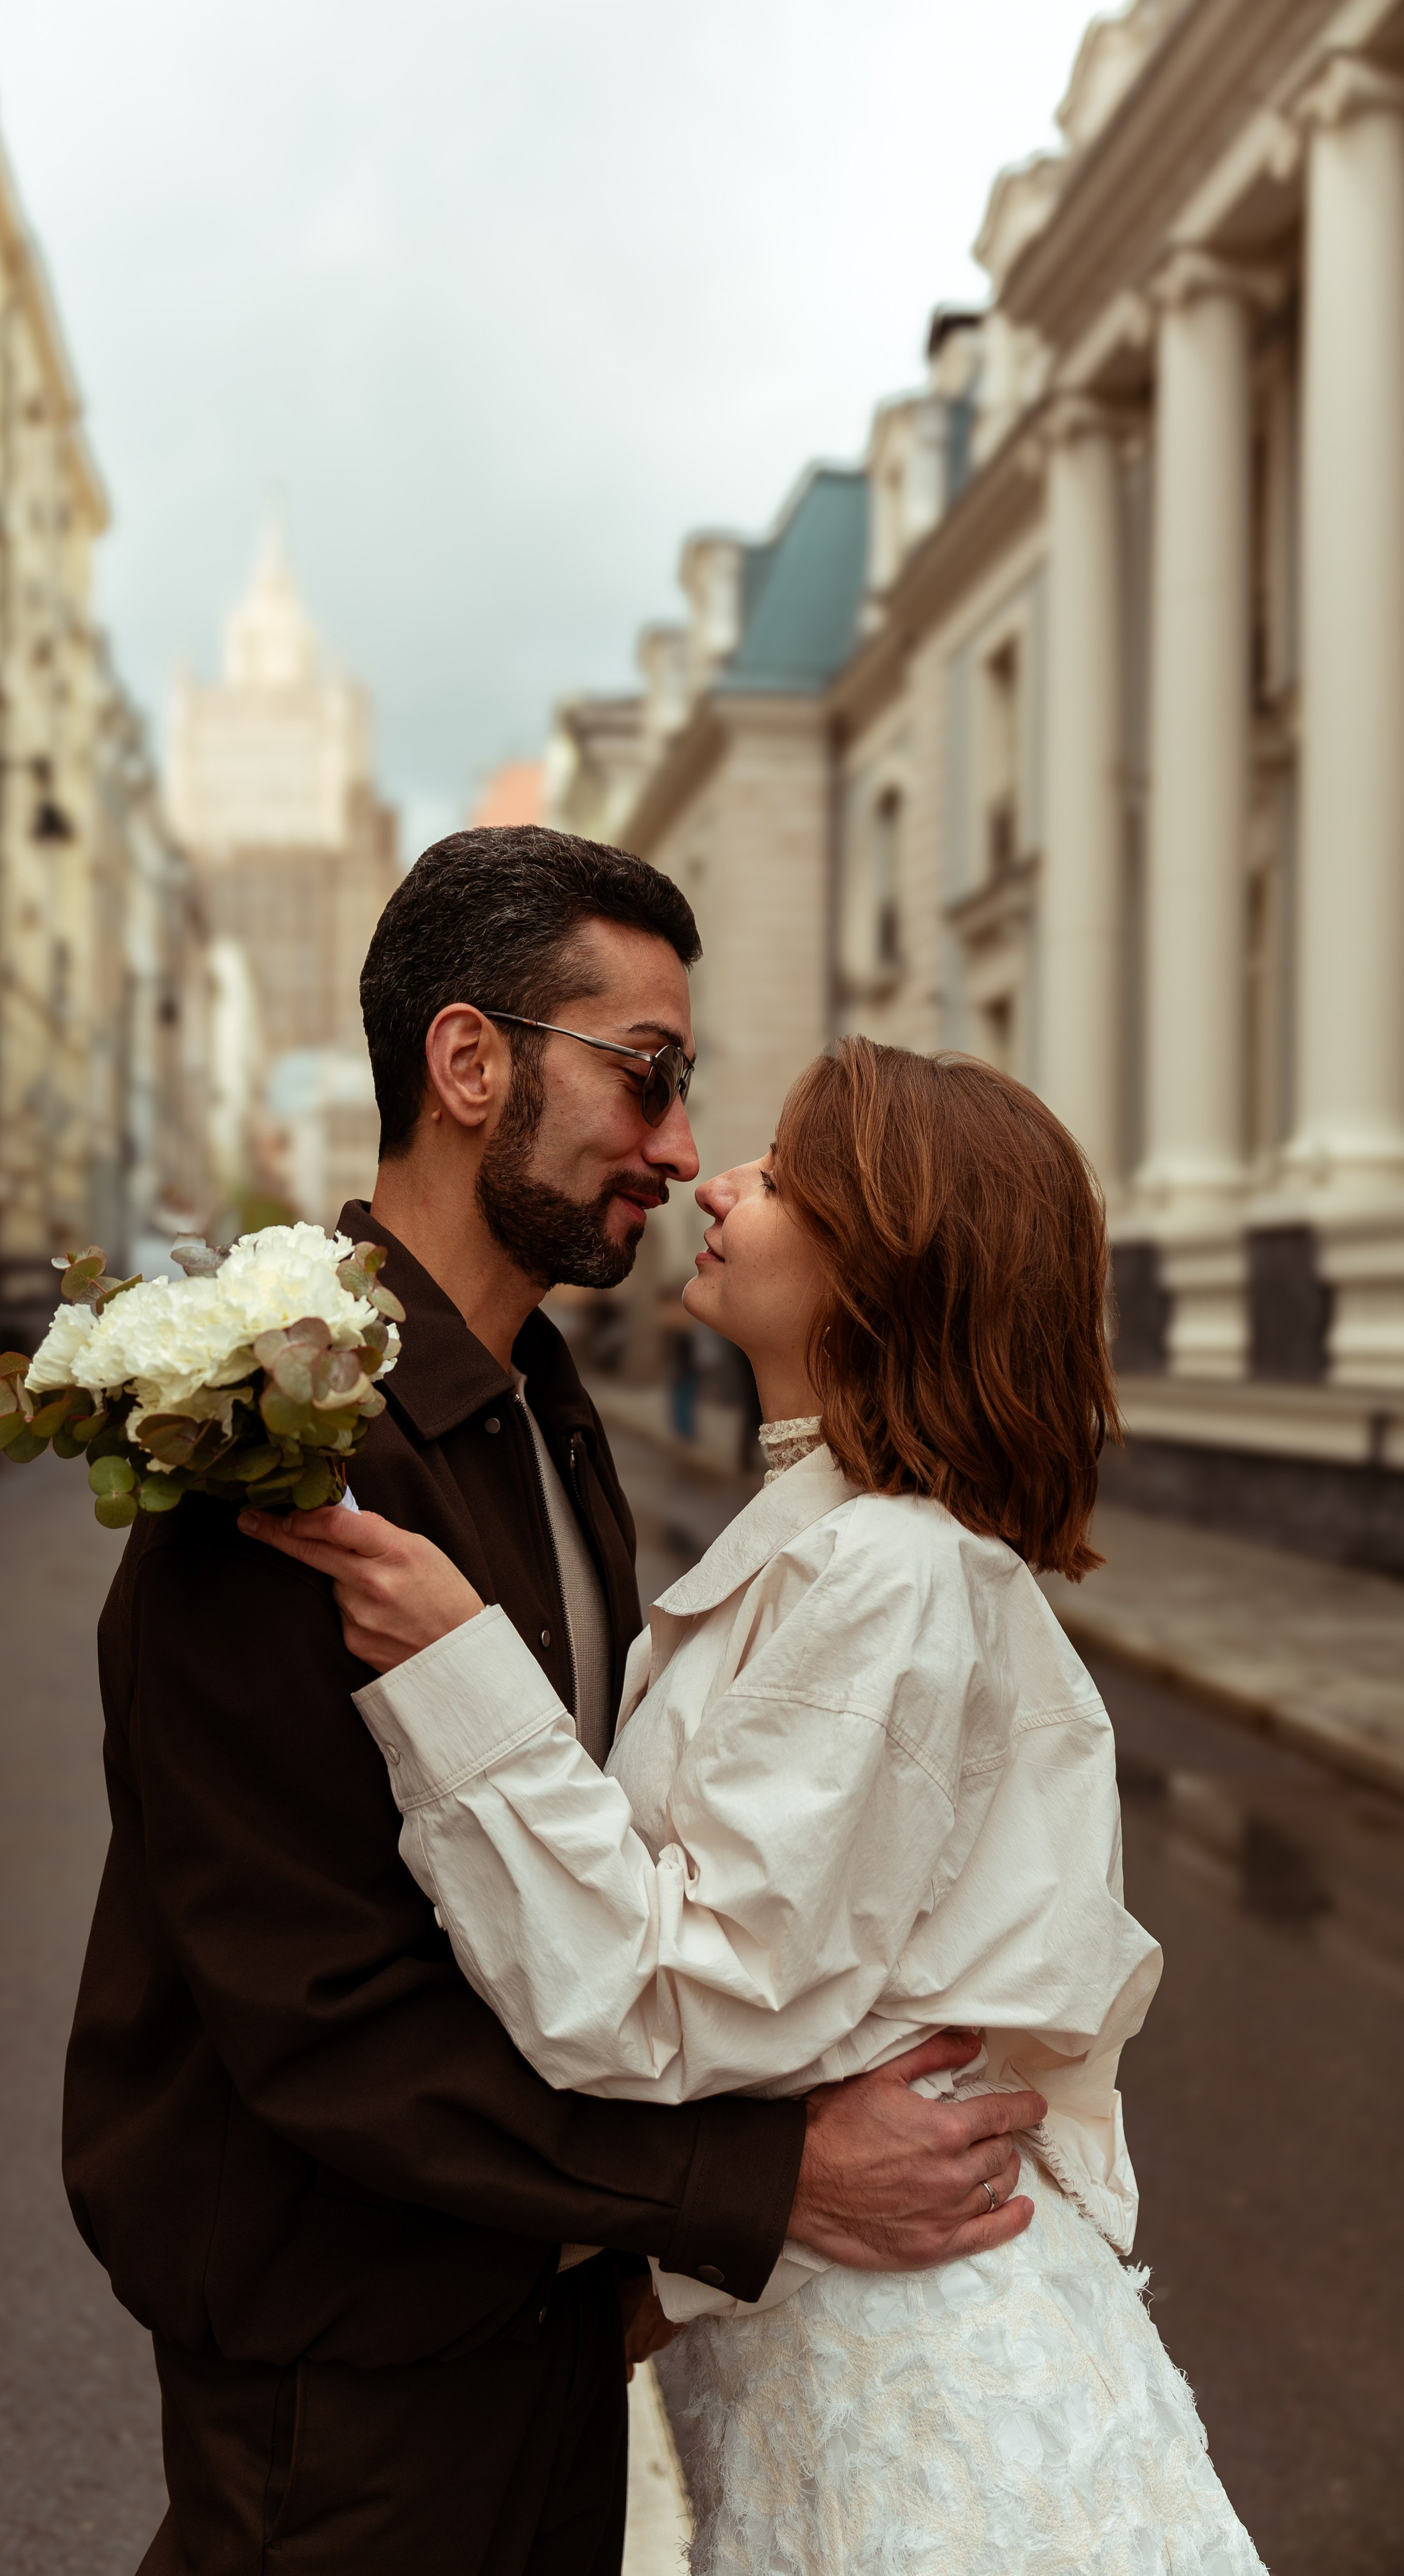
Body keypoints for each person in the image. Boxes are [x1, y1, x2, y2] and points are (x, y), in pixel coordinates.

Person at [62, 829, 1049, 2576]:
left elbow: (612, 1882)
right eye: (649, 1080)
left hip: (538, 2320)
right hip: (349, 2361)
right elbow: (324, 2014)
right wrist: (761, 2188)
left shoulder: (541, 1406)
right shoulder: (290, 1466)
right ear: (469, 1064)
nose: (679, 1152)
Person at [247, 1036, 1268, 2575]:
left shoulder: (891, 1572)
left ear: (885, 1259)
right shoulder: (857, 1544)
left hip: (920, 2401)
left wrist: (459, 1670)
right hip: (848, 2351)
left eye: (782, 1174)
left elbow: (674, 1995)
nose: (715, 1180)